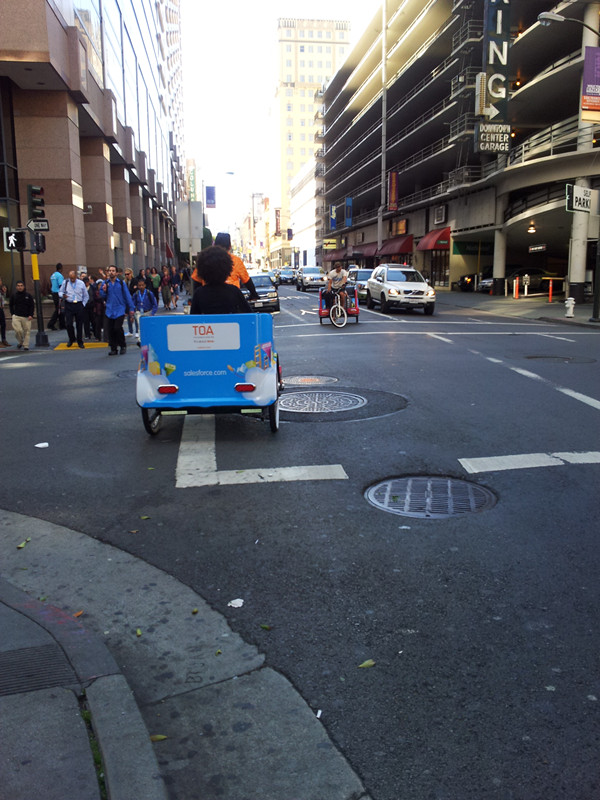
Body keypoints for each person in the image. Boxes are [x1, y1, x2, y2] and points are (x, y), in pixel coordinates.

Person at [192, 232, 259, 300]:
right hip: (231, 299)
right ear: (229, 247)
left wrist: (197, 297)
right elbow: (247, 280)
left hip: (208, 299)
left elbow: (197, 281)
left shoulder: (204, 259)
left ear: (214, 245)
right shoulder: (236, 261)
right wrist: (254, 294)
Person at [190, 246, 253, 314]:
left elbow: (193, 317)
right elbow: (249, 314)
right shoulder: (234, 291)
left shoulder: (199, 294)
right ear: (228, 268)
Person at [99, 264, 135, 355]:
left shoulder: (121, 283)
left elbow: (127, 296)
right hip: (109, 309)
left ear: (116, 273)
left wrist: (131, 308)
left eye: (113, 271)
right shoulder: (105, 283)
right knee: (110, 329)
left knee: (117, 328)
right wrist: (104, 291)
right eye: (110, 271)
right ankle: (113, 348)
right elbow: (102, 296)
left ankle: (122, 345)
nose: (111, 272)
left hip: (120, 309)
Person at [58, 270, 88, 348]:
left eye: (73, 278)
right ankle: (71, 338)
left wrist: (83, 304)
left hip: (78, 304)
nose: (72, 280)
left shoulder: (81, 283)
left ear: (76, 277)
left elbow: (86, 295)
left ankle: (80, 341)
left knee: (79, 324)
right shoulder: (65, 282)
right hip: (69, 304)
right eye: (70, 278)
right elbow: (60, 292)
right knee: (68, 323)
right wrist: (63, 295)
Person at [9, 280, 35, 350]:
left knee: (27, 332)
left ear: (24, 286)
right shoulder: (14, 295)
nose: (20, 287)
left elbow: (32, 305)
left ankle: (26, 345)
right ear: (16, 287)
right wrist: (12, 314)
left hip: (26, 316)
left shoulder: (28, 295)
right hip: (16, 316)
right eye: (18, 286)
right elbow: (11, 305)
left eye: (21, 286)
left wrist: (31, 315)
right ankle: (20, 341)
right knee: (18, 330)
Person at [132, 277, 157, 343]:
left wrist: (152, 313)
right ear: (137, 286)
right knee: (140, 326)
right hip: (139, 312)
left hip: (148, 312)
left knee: (148, 327)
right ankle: (140, 341)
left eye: (142, 285)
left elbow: (154, 304)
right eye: (139, 285)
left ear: (145, 285)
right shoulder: (136, 294)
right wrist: (133, 313)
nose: (141, 287)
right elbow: (133, 304)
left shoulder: (149, 293)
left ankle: (149, 339)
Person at [48, 262, 65, 331]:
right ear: (61, 268)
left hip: (54, 293)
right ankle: (51, 324)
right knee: (58, 309)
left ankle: (62, 325)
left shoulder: (53, 275)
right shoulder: (60, 276)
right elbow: (61, 285)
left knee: (59, 309)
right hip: (58, 294)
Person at [0, 276, 8, 346]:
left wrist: (4, 292)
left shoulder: (1, 290)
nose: (0, 282)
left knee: (3, 324)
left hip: (1, 309)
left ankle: (3, 339)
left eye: (0, 280)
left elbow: (2, 299)